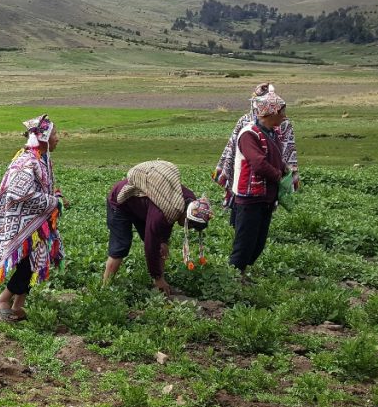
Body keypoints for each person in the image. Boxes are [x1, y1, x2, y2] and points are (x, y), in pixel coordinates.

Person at [0, 114, 65, 322]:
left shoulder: (42, 159)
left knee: (35, 261)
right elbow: (18, 194)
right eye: (55, 134)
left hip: (35, 224)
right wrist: (52, 202)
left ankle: (17, 306)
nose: (58, 138)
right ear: (43, 138)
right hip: (20, 222)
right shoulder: (26, 162)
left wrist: (55, 197)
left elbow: (40, 189)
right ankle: (2, 300)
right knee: (28, 265)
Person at [102, 160, 212, 296]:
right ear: (187, 214)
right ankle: (105, 289)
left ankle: (159, 284)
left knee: (162, 246)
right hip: (121, 202)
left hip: (143, 206)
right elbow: (150, 245)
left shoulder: (189, 202)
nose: (189, 228)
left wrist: (163, 241)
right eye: (189, 224)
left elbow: (167, 223)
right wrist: (156, 275)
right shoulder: (163, 213)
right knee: (121, 246)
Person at [226, 90, 289, 277]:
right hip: (250, 197)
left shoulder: (272, 133)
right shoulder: (249, 134)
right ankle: (234, 276)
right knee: (245, 241)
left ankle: (241, 274)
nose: (284, 116)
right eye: (282, 112)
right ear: (271, 112)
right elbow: (258, 163)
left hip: (265, 197)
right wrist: (278, 176)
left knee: (258, 241)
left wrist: (284, 168)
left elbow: (273, 157)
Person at [214, 83, 299, 207]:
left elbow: (287, 149)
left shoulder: (282, 122)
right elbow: (236, 150)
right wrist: (278, 174)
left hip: (267, 183)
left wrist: (283, 169)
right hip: (249, 186)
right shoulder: (246, 124)